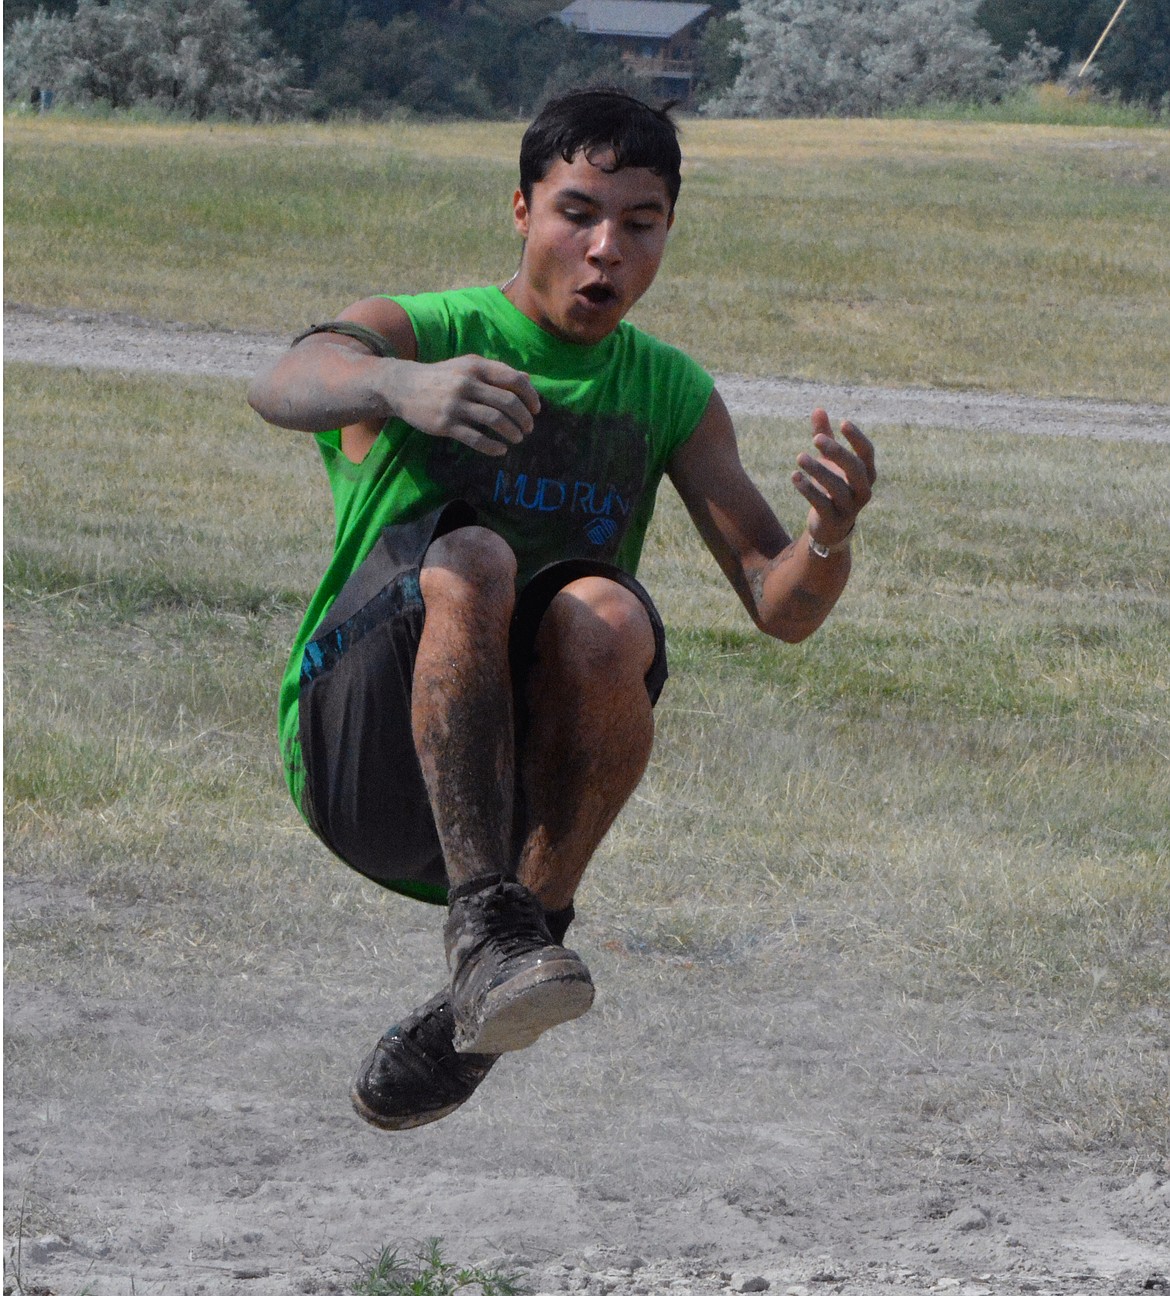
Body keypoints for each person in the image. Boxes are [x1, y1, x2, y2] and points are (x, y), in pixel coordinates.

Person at [247, 86, 876, 1131]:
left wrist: (831, 538)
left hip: (515, 795)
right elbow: (283, 381)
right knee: (477, 555)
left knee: (609, 617)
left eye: (639, 225)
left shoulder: (669, 389)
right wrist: (398, 385)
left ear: (668, 232)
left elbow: (782, 605)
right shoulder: (433, 329)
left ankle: (510, 959)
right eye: (577, 213)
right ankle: (496, 934)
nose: (604, 252)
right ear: (521, 210)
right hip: (363, 754)